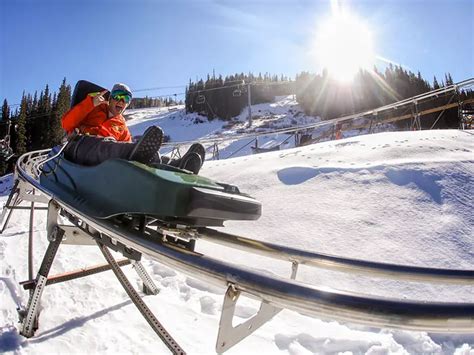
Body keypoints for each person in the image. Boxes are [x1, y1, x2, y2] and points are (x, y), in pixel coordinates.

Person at [62, 83, 205, 174]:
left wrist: (138, 149)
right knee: (112, 147)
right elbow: (66, 123)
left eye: (126, 99)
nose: (121, 101)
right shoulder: (94, 108)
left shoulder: (121, 124)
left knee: (136, 151)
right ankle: (138, 155)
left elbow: (128, 145)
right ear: (110, 98)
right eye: (118, 96)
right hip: (80, 145)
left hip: (105, 155)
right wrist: (90, 104)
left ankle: (177, 166)